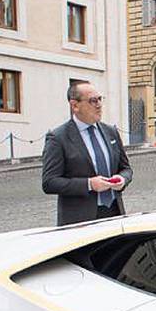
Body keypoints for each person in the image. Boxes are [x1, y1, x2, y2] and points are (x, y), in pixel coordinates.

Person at [41, 81, 133, 226]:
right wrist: (89, 184)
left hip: (115, 213)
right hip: (80, 221)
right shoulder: (58, 138)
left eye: (100, 99)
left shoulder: (111, 132)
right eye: (92, 101)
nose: (99, 105)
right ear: (75, 105)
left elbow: (126, 169)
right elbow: (49, 182)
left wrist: (122, 179)